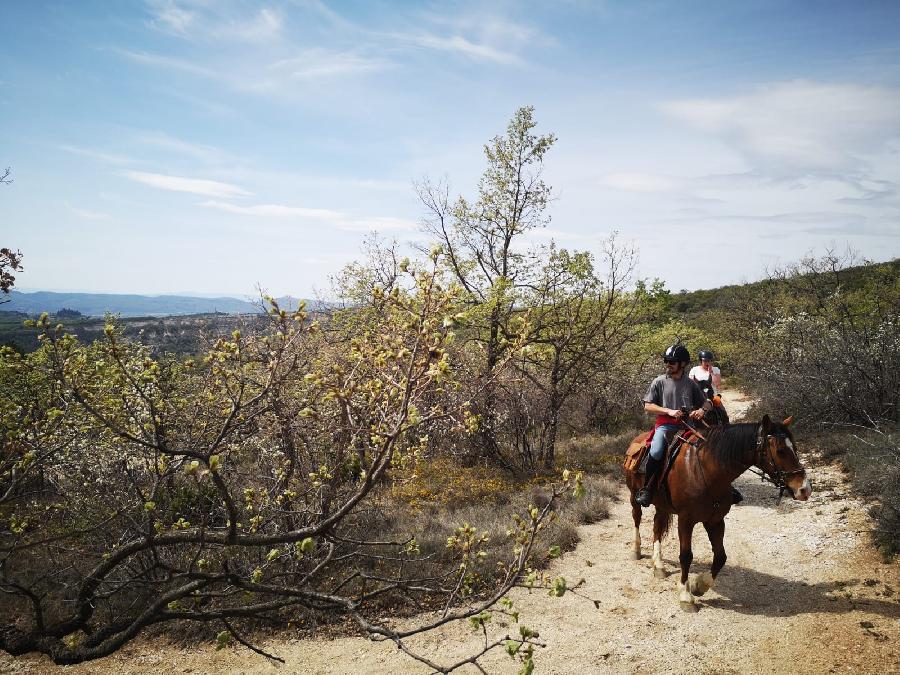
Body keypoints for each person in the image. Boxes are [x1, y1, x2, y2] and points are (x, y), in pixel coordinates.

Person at [635, 344, 709, 507]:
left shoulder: (690, 384)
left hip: (687, 426)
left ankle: (721, 487)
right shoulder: (659, 382)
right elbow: (647, 405)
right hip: (665, 426)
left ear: (682, 364)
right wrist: (668, 411)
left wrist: (702, 410)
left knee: (710, 448)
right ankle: (647, 488)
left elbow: (706, 402)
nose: (668, 364)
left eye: (672, 361)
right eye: (666, 360)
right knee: (655, 451)